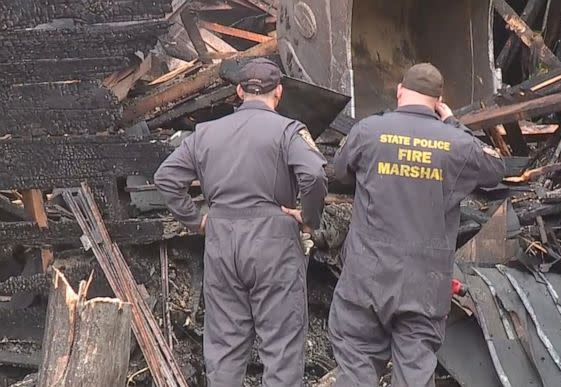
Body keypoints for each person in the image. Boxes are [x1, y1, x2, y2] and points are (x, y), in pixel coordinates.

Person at [329, 63, 505, 386]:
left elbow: (338, 171)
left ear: (399, 91)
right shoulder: (458, 144)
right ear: (439, 100)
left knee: (356, 370)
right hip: (424, 287)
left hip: (366, 279)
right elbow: (496, 168)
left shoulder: (368, 131)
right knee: (414, 375)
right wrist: (452, 122)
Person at [154, 58, 328, 387]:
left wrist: (196, 221)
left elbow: (165, 178)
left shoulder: (205, 133)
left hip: (220, 239)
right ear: (279, 92)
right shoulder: (289, 130)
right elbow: (315, 174)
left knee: (224, 347)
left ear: (238, 91)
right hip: (273, 240)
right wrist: (309, 218)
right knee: (281, 348)